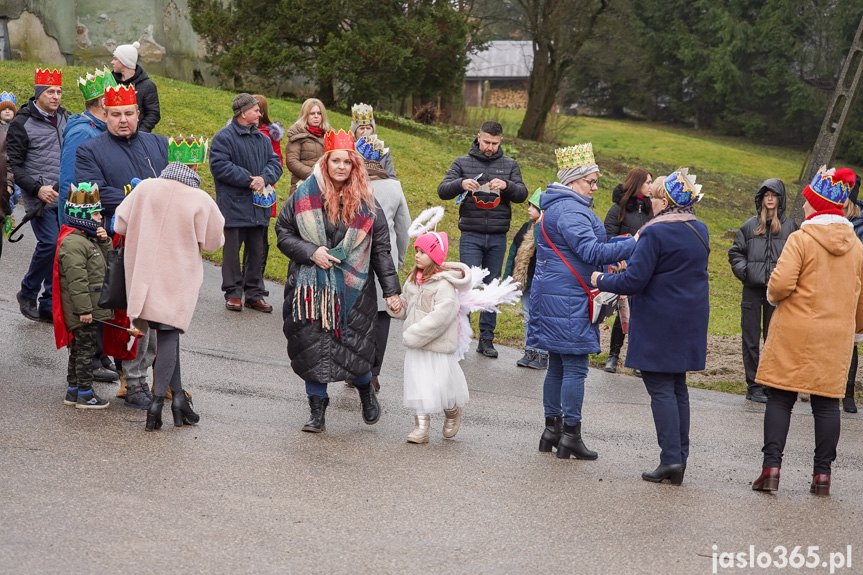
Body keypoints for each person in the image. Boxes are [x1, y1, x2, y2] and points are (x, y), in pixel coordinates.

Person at [275, 129, 401, 433]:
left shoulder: (368, 203)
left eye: (347, 161)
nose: (342, 166)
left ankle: (365, 391)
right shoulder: (303, 195)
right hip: (309, 288)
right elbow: (283, 233)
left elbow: (381, 250)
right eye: (336, 161)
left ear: (354, 165)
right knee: (311, 348)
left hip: (354, 290)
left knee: (354, 349)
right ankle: (317, 411)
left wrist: (391, 291)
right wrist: (311, 252)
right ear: (326, 162)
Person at [750, 167, 863, 497]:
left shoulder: (800, 239)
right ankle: (822, 476)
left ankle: (771, 469)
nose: (801, 207)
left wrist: (773, 296)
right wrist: (856, 328)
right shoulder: (856, 247)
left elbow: (781, 285)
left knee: (781, 397)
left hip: (795, 331)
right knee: (827, 404)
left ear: (817, 205)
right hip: (835, 336)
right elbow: (861, 296)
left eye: (807, 202)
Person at [593, 170, 710, 485]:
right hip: (690, 320)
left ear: (666, 200)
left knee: (660, 389)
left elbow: (634, 280)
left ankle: (670, 458)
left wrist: (600, 279)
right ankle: (679, 459)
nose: (651, 202)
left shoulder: (654, 232)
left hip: (660, 320)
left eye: (656, 197)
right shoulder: (700, 229)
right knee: (677, 387)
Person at [528, 143, 635, 460]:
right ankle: (571, 435)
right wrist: (633, 243)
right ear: (573, 180)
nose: (595, 186)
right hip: (570, 298)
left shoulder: (556, 207)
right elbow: (591, 253)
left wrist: (613, 248)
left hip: (553, 293)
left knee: (558, 365)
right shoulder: (573, 211)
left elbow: (586, 249)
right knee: (575, 367)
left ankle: (552, 430)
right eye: (590, 180)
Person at [113, 136, 225, 431]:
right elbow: (213, 243)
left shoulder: (146, 188)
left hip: (144, 276)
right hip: (177, 277)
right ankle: (157, 404)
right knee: (170, 335)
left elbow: (119, 223)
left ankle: (180, 404)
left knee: (163, 334)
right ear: (196, 163)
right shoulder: (201, 200)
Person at [76, 84, 170, 409]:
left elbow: (174, 185)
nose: (123, 120)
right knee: (132, 314)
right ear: (105, 115)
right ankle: (133, 382)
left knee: (160, 311)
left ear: (138, 113)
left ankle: (161, 376)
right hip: (120, 241)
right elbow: (92, 192)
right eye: (116, 114)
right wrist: (141, 194)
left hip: (161, 238)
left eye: (129, 113)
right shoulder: (90, 150)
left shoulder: (158, 144)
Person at [437, 120, 529, 358]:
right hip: (470, 233)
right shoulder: (462, 162)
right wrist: (461, 183)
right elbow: (442, 190)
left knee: (493, 288)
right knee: (466, 285)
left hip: (498, 235)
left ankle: (487, 339)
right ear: (478, 137)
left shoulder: (509, 164)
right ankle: (462, 337)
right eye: (486, 142)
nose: (490, 147)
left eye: (495, 143)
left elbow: (522, 194)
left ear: (501, 141)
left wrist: (507, 185)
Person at [58, 68, 120, 384]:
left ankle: (100, 352)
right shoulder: (84, 132)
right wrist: (80, 223)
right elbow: (74, 183)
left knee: (102, 287)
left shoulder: (98, 128)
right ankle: (89, 360)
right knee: (89, 289)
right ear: (100, 103)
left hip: (98, 223)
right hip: (86, 224)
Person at [387, 232, 471, 443]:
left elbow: (441, 317)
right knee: (418, 384)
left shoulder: (444, 286)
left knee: (444, 386)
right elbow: (407, 307)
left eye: (423, 252)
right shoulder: (413, 281)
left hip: (437, 347)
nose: (417, 255)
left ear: (434, 257)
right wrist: (398, 306)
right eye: (416, 251)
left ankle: (452, 412)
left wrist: (415, 334)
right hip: (416, 346)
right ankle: (421, 427)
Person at [211, 93, 283, 313]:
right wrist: (249, 180)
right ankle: (233, 293)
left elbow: (275, 163)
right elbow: (220, 166)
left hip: (258, 206)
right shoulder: (224, 137)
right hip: (234, 204)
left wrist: (265, 178)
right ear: (243, 113)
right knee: (232, 251)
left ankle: (254, 294)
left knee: (257, 250)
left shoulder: (263, 139)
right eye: (256, 110)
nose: (260, 114)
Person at [727, 178, 798, 403]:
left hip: (776, 293)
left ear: (780, 198)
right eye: (766, 195)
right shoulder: (749, 226)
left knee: (773, 338)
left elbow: (798, 257)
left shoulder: (790, 227)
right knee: (750, 338)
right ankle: (753, 385)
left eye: (773, 195)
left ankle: (768, 383)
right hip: (751, 291)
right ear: (760, 198)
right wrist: (746, 272)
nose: (769, 198)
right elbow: (735, 253)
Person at [353, 120, 411, 391]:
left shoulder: (351, 188)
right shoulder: (394, 188)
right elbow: (404, 227)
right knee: (381, 315)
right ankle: (373, 370)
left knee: (355, 311)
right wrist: (399, 260)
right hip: (385, 257)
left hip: (355, 256)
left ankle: (354, 366)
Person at [8, 68, 68, 322]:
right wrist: (36, 189)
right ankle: (28, 292)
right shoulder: (22, 123)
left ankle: (48, 304)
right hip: (39, 198)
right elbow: (14, 165)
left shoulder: (66, 117)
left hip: (64, 194)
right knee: (51, 243)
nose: (56, 97)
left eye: (59, 91)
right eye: (50, 92)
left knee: (63, 247)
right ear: (38, 95)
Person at [52, 182, 112, 409]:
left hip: (88, 308)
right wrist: (85, 311)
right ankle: (86, 394)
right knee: (84, 352)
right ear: (83, 216)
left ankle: (73, 390)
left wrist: (104, 241)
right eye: (96, 214)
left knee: (79, 350)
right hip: (82, 310)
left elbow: (104, 265)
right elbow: (77, 283)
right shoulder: (74, 244)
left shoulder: (88, 240)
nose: (99, 218)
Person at [602, 168, 653, 374]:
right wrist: (619, 259)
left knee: (641, 314)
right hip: (623, 269)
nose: (651, 186)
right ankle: (613, 356)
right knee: (623, 311)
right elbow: (609, 237)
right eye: (647, 182)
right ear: (638, 183)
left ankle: (637, 359)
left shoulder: (652, 211)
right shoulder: (618, 209)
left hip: (645, 268)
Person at [243, 94, 285, 292]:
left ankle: (257, 277)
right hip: (245, 188)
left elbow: (277, 161)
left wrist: (264, 176)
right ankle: (243, 277)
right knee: (242, 234)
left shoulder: (270, 134)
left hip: (264, 190)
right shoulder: (237, 131)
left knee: (261, 236)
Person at [503, 188, 547, 369]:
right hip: (526, 281)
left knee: (542, 318)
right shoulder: (524, 227)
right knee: (528, 316)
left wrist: (540, 226)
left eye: (534, 206)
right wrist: (508, 278)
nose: (529, 209)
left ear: (543, 210)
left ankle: (543, 354)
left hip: (542, 283)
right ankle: (529, 351)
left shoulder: (546, 230)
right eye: (529, 205)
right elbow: (513, 252)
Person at [843, 174, 863, 413]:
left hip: (856, 288)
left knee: (851, 343)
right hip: (831, 286)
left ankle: (848, 393)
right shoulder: (832, 217)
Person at [111, 41, 161, 132]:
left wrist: (139, 134)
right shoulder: (110, 83)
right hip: (113, 137)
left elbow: (153, 114)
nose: (112, 62)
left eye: (115, 59)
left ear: (124, 61)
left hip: (137, 137)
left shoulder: (147, 86)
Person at [285, 98, 331, 194]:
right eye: (312, 113)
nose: (316, 116)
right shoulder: (297, 133)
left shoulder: (330, 134)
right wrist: (315, 175)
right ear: (305, 115)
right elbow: (292, 162)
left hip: (327, 187)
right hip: (303, 186)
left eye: (319, 113)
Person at [350, 103, 396, 179]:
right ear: (355, 131)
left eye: (368, 128)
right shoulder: (348, 149)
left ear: (373, 130)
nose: (365, 132)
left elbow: (391, 177)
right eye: (361, 128)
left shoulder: (383, 150)